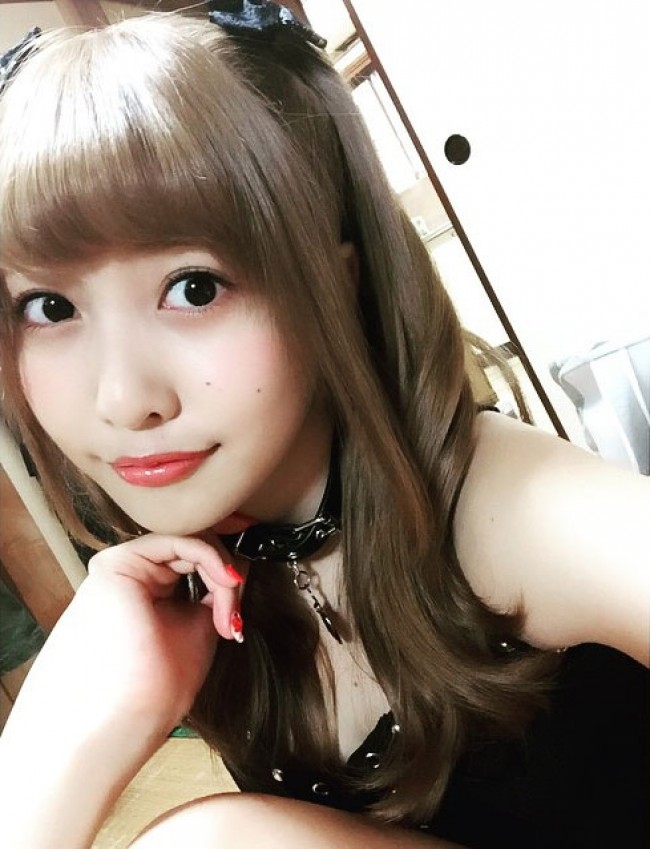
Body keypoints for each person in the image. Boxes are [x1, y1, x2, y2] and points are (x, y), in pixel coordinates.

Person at [0, 6, 647, 849]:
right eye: (49, 308)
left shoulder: (512, 511)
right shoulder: (210, 575)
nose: (124, 398)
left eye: (194, 288)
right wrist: (65, 735)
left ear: (336, 282)